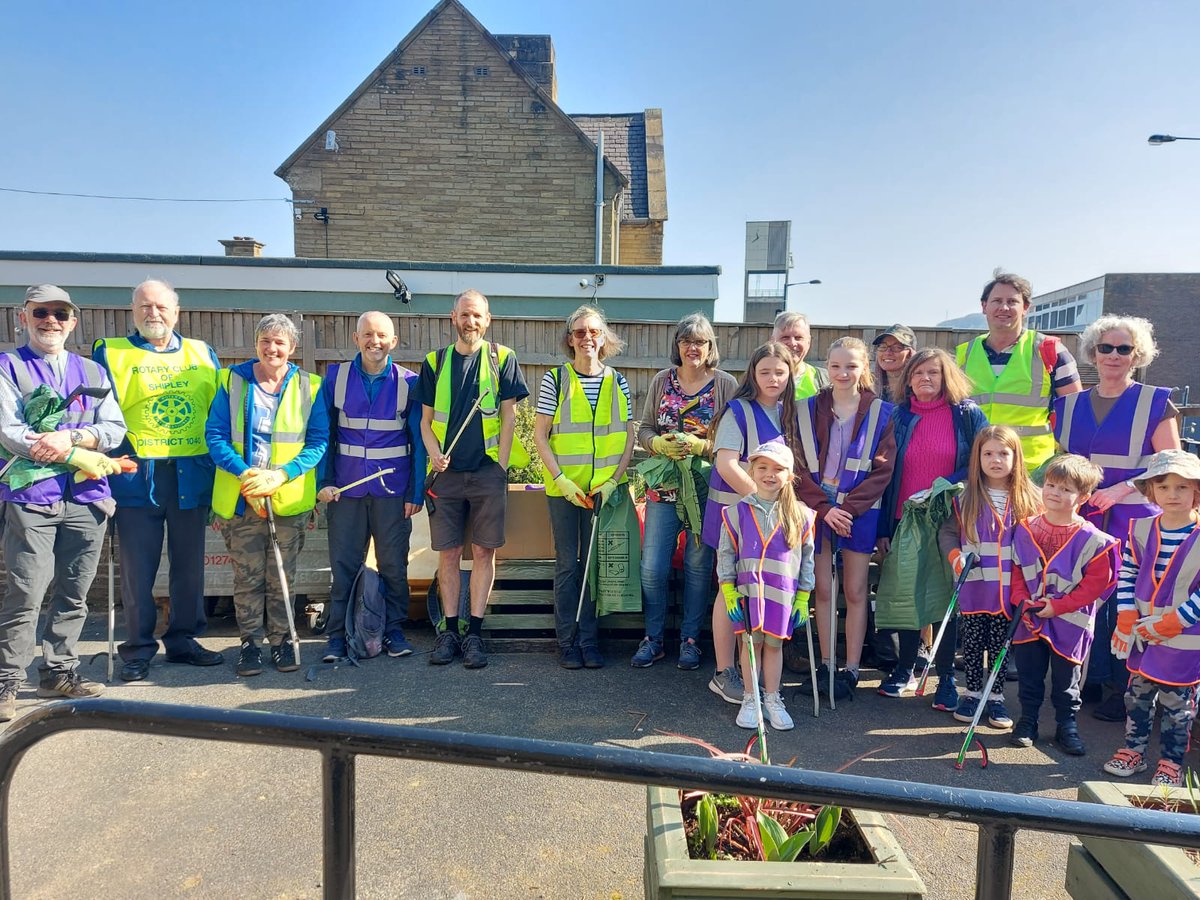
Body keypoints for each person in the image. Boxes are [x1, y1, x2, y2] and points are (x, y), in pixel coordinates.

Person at [0, 285, 128, 720]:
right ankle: (7, 681)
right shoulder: (8, 368)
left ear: (73, 321)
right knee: (26, 591)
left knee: (74, 591)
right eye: (41, 312)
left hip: (87, 497)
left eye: (60, 313)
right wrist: (69, 452)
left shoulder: (92, 370)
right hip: (31, 497)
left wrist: (73, 437)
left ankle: (58, 671)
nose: (50, 320)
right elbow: (9, 432)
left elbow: (114, 428)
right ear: (24, 318)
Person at [93, 280, 224, 682]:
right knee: (138, 570)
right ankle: (137, 649)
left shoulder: (202, 353)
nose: (154, 313)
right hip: (136, 479)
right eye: (145, 306)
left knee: (189, 568)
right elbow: (93, 414)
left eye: (161, 307)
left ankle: (184, 641)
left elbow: (219, 412)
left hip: (189, 476)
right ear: (133, 311)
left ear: (176, 311)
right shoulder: (111, 352)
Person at [1054, 314, 1181, 722]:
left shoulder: (1156, 401)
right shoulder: (1067, 406)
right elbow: (1063, 463)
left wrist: (1122, 489)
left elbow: (1172, 465)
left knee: (1124, 600)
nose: (1113, 355)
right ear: (1092, 353)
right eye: (1105, 347)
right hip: (1084, 515)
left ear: (1136, 355)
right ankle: (1087, 676)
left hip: (1135, 517)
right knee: (1082, 591)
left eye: (1123, 348)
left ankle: (1121, 688)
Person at [206, 314, 328, 677]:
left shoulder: (311, 386)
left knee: (281, 576)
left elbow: (319, 441)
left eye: (280, 343)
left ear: (292, 348)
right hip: (242, 498)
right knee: (247, 577)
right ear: (256, 344)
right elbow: (214, 435)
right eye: (265, 341)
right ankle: (250, 645)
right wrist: (245, 473)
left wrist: (281, 475)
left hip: (286, 499)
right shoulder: (233, 381)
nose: (272, 348)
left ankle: (281, 641)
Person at [418, 290, 529, 670]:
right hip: (446, 476)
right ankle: (449, 631)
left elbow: (510, 417)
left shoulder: (503, 359)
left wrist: (499, 465)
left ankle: (475, 634)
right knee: (447, 553)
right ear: (453, 317)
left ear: (488, 319)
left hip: (486, 474)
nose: (471, 322)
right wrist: (433, 451)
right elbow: (425, 422)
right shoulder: (435, 362)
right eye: (465, 315)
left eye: (477, 316)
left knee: (484, 552)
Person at [875, 348, 988, 704]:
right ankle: (905, 667)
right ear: (907, 378)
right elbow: (884, 475)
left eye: (934, 373)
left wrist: (941, 487)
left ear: (946, 377)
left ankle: (945, 681)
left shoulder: (965, 415)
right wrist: (882, 527)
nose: (926, 378)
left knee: (945, 600)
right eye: (918, 372)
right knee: (909, 594)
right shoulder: (898, 417)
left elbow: (979, 461)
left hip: (950, 519)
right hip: (904, 519)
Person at [317, 311, 426, 663]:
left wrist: (416, 492)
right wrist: (325, 482)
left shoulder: (410, 382)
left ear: (393, 341)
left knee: (394, 566)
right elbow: (324, 436)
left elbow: (419, 443)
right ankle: (337, 636)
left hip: (392, 492)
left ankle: (393, 631)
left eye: (381, 335)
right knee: (344, 565)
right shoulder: (335, 378)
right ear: (355, 338)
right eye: (367, 334)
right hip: (346, 491)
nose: (374, 341)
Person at [794, 336, 896, 698]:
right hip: (817, 508)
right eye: (835, 366)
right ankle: (825, 664)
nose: (842, 373)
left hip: (860, 512)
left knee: (854, 590)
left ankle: (851, 669)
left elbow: (883, 472)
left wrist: (847, 510)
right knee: (822, 589)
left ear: (863, 369)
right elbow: (798, 465)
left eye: (851, 366)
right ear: (826, 367)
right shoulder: (805, 408)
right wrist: (825, 508)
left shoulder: (882, 412)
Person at [533, 306, 635, 670]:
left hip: (600, 492)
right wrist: (560, 479)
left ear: (603, 337)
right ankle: (567, 642)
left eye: (594, 331)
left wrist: (612, 481)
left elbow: (627, 439)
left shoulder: (617, 381)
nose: (587, 338)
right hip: (564, 490)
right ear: (570, 339)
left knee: (594, 566)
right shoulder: (555, 379)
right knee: (567, 566)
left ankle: (590, 641)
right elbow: (540, 435)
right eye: (579, 332)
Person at [634, 313, 737, 670]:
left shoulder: (725, 384)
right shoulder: (663, 380)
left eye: (700, 342)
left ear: (710, 347)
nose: (692, 348)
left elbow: (734, 439)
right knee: (652, 567)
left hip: (706, 489)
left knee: (698, 566)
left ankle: (691, 640)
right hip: (663, 486)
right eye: (686, 341)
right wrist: (658, 445)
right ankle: (653, 638)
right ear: (677, 346)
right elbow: (644, 428)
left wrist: (701, 446)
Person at [702, 342, 798, 703]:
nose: (773, 378)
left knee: (756, 589)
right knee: (730, 590)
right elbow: (726, 463)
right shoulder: (739, 412)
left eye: (780, 372)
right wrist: (760, 501)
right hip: (738, 517)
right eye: (765, 372)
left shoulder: (789, 414)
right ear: (752, 375)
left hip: (770, 523)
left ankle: (755, 673)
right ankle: (724, 671)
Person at [1008, 454, 1118, 756]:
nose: (1054, 493)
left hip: (1070, 620)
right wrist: (1020, 598)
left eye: (1065, 489)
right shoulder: (1025, 528)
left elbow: (1095, 584)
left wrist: (1059, 607)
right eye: (1050, 484)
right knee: (1029, 673)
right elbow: (1016, 568)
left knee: (1065, 678)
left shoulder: (1094, 540)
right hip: (1031, 616)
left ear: (1083, 497)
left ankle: (1066, 725)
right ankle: (1027, 721)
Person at [1105, 450, 1200, 787]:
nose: (1172, 495)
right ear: (1150, 491)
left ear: (1196, 491)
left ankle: (1171, 762)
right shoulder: (1140, 530)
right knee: (1137, 695)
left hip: (1184, 638)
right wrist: (1126, 614)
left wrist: (1174, 622)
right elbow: (1128, 573)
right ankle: (1134, 750)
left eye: (1182, 487)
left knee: (1178, 705)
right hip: (1142, 634)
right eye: (1163, 487)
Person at [938, 426, 1041, 726]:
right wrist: (956, 558)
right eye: (988, 453)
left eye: (1003, 453)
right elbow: (947, 533)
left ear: (1015, 457)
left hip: (1009, 590)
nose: (995, 460)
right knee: (971, 642)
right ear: (977, 458)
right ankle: (971, 693)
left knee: (1000, 646)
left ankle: (995, 698)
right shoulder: (964, 497)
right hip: (975, 586)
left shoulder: (1030, 500)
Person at [718, 443, 815, 731]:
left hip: (781, 597)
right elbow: (725, 554)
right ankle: (751, 698)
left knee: (773, 647)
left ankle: (772, 698)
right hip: (747, 596)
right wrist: (728, 590)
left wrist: (803, 597)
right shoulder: (735, 513)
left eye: (778, 469)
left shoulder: (801, 515)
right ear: (752, 471)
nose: (769, 474)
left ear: (790, 476)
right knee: (749, 646)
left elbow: (807, 559)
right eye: (762, 467)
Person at [956, 271, 1081, 469]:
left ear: (1026, 308)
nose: (1004, 307)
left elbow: (1077, 413)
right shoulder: (963, 355)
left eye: (1012, 301)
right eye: (996, 300)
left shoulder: (1049, 350)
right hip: (979, 468)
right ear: (984, 306)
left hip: (1033, 469)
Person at [771, 311, 828, 400]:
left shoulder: (825, 380)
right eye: (785, 337)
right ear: (772, 341)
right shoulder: (758, 380)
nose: (792, 343)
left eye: (798, 338)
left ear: (808, 342)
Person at [871, 324, 916, 403]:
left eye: (897, 347)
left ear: (910, 354)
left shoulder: (919, 394)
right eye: (883, 346)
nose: (888, 352)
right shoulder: (869, 393)